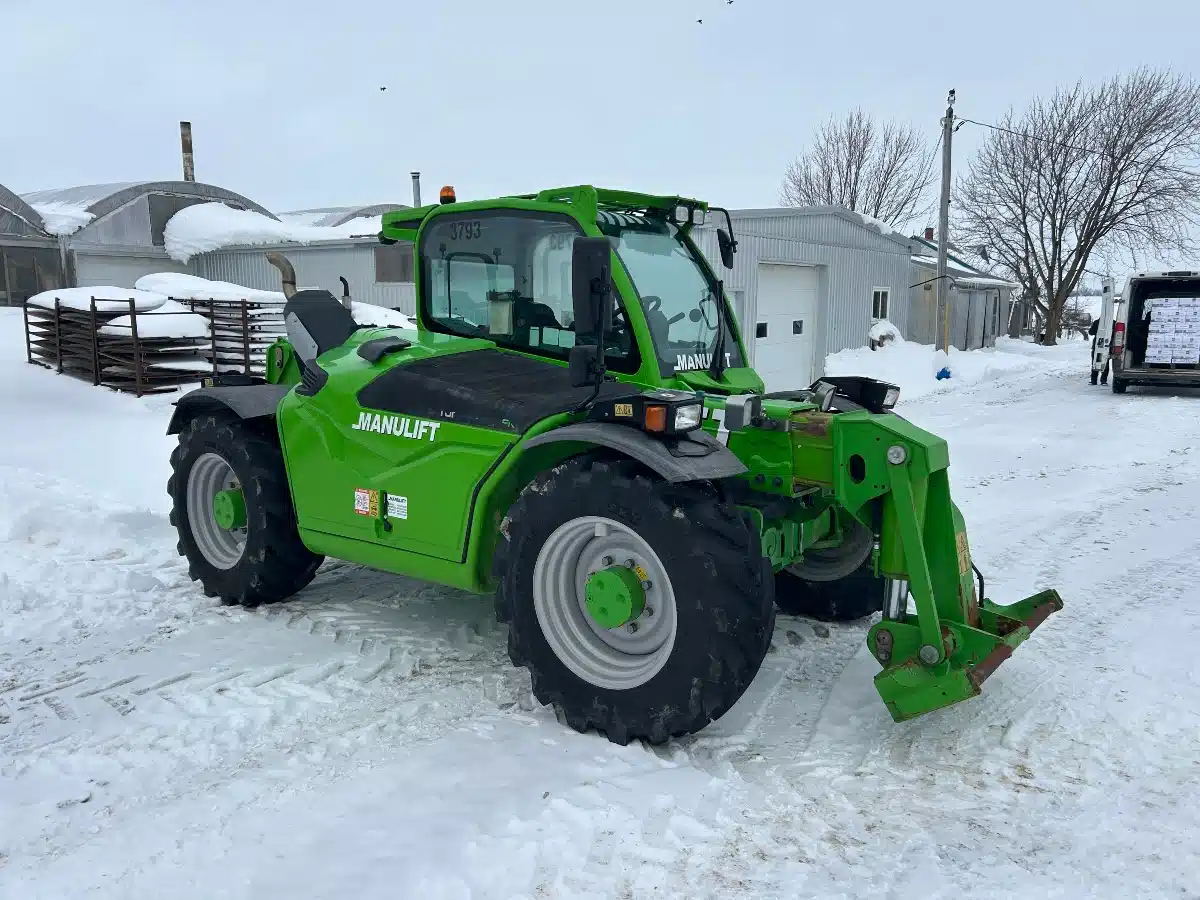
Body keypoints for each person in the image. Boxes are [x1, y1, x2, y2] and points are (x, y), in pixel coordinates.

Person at [1089, 317, 1109, 385]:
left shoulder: (1097, 322)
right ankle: (1103, 380)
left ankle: (1094, 380)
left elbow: (1091, 332)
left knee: (1097, 362)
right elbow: (1091, 332)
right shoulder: (1112, 322)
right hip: (1105, 345)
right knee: (1104, 363)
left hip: (1099, 345)